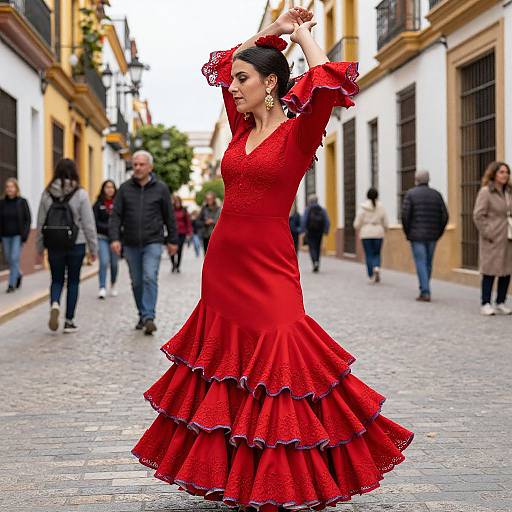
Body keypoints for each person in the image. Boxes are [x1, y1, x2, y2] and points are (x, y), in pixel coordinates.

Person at [132, 7, 413, 511]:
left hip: (270, 265)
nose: (234, 86)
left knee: (283, 356)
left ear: (271, 83)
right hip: (223, 266)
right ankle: (237, 475)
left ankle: (293, 474)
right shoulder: (239, 131)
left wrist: (303, 36)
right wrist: (270, 33)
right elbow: (224, 66)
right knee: (228, 366)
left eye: (245, 79)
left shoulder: (300, 133)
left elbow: (327, 84)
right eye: (236, 80)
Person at [109, 150, 178, 335]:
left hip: (153, 241)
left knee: (149, 277)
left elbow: (169, 216)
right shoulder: (124, 189)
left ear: (150, 167)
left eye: (141, 164)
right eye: (135, 164)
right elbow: (116, 215)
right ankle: (142, 314)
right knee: (137, 282)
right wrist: (115, 238)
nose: (137, 167)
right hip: (130, 242)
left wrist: (172, 240)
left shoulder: (161, 188)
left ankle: (149, 316)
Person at [36, 159, 97, 333]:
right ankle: (69, 320)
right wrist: (93, 248)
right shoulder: (80, 193)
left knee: (56, 279)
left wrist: (40, 247)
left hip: (54, 243)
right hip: (76, 243)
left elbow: (41, 222)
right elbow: (88, 223)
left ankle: (55, 302)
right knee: (73, 281)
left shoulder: (47, 193)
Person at [401, 170, 448, 302]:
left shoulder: (410, 194)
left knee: (421, 262)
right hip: (432, 235)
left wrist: (408, 232)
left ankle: (425, 291)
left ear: (416, 180)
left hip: (416, 235)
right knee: (428, 262)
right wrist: (439, 232)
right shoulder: (436, 195)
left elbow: (405, 215)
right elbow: (444, 215)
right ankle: (424, 287)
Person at [473, 161, 512, 316]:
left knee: (507, 270)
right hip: (493, 237)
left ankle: (501, 302)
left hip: (508, 236)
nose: (505, 175)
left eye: (507, 172)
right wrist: (488, 232)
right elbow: (478, 215)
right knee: (490, 270)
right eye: (501, 172)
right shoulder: (486, 192)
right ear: (494, 174)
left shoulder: (509, 192)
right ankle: (485, 302)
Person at [0, 178, 31, 293]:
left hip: (17, 235)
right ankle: (18, 274)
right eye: (7, 187)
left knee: (14, 258)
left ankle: (11, 284)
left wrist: (25, 234)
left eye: (12, 187)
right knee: (9, 259)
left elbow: (28, 219)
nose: (9, 189)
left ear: (16, 188)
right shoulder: (2, 203)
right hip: (5, 236)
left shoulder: (22, 202)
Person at [353, 187, 389, 283]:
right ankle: (376, 267)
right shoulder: (381, 207)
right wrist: (386, 229)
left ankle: (371, 275)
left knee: (369, 254)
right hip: (378, 232)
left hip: (366, 233)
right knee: (377, 253)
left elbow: (357, 223)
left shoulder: (362, 207)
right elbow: (385, 221)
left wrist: (358, 227)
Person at [93, 180, 119, 299]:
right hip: (102, 237)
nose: (109, 189)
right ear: (103, 189)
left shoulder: (119, 203)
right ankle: (102, 287)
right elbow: (94, 221)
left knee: (114, 264)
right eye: (107, 187)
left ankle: (113, 284)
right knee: (103, 261)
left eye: (112, 187)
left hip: (115, 239)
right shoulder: (98, 204)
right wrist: (107, 227)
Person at [302, 194, 330, 272]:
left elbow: (304, 220)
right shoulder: (322, 209)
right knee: (318, 247)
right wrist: (326, 231)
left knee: (312, 248)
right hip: (319, 232)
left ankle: (314, 262)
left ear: (309, 201)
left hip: (310, 232)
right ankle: (317, 261)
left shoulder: (307, 209)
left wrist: (303, 230)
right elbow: (327, 221)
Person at [170, 195, 192, 273]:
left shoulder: (184, 211)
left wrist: (189, 232)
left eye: (179, 202)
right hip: (172, 232)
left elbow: (188, 222)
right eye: (176, 202)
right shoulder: (171, 210)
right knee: (171, 250)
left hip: (182, 233)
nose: (177, 203)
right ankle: (173, 264)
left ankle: (178, 266)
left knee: (179, 250)